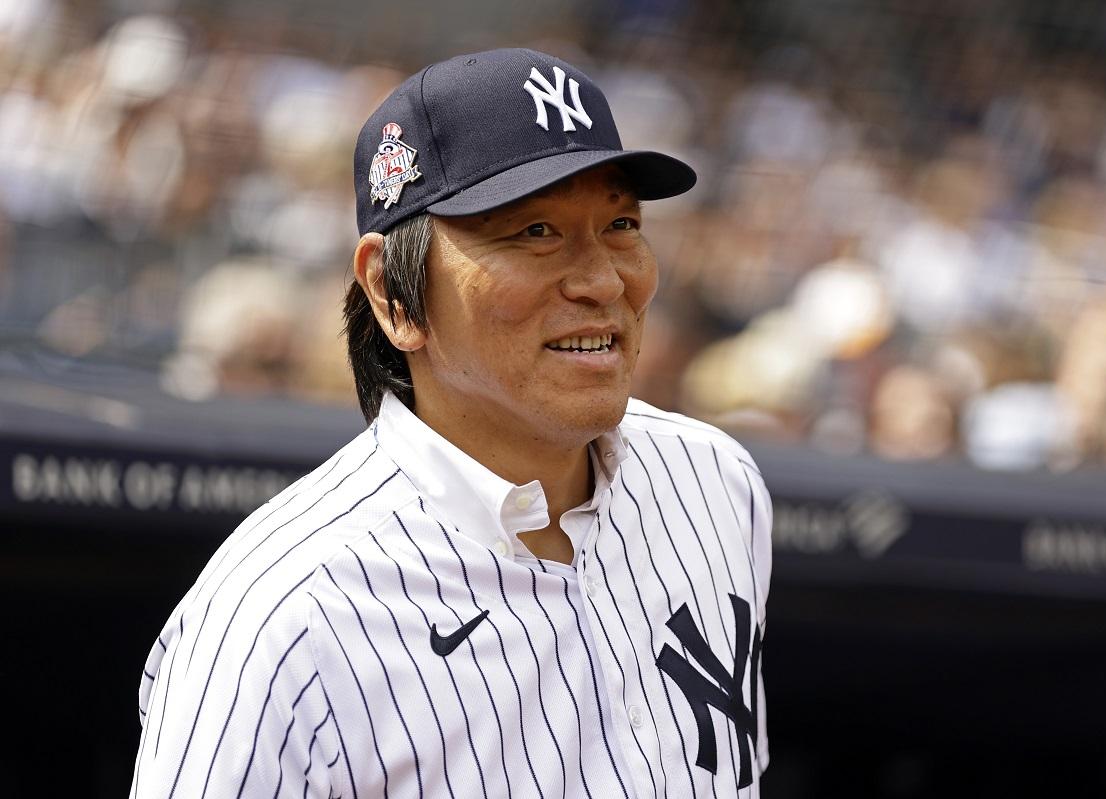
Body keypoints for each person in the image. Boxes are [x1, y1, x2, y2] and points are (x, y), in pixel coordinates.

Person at [131, 48, 772, 798]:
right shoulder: (283, 620)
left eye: (621, 223)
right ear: (392, 292)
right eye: (534, 231)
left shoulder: (716, 482)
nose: (603, 280)